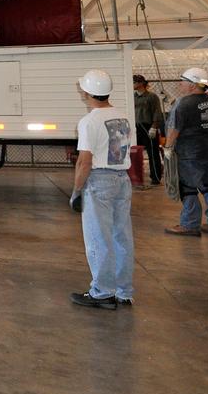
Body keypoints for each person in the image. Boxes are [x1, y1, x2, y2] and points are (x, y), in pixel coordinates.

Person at [70, 69, 135, 309]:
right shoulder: (123, 116)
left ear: (86, 92)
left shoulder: (89, 121)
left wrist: (77, 191)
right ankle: (123, 291)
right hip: (122, 180)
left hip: (99, 182)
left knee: (98, 238)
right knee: (121, 237)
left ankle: (101, 292)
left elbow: (84, 161)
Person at [163, 67, 208, 237]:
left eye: (183, 81)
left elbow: (174, 128)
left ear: (192, 84)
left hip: (191, 153)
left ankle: (190, 224)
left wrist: (168, 148)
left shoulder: (183, 103)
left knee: (187, 187)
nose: (180, 84)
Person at [132, 74, 165, 185]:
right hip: (136, 127)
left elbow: (157, 112)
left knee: (152, 152)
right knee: (133, 152)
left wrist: (154, 127)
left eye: (135, 82)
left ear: (141, 83)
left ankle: (155, 177)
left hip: (148, 126)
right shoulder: (132, 97)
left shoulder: (152, 97)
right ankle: (134, 176)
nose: (133, 84)